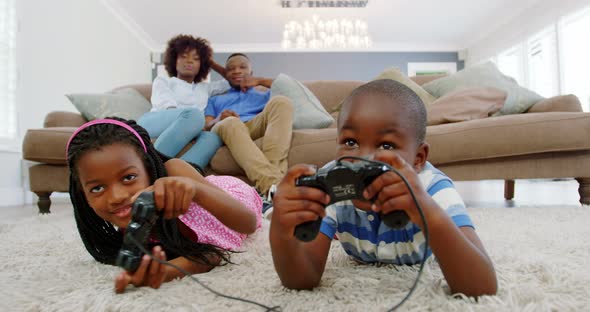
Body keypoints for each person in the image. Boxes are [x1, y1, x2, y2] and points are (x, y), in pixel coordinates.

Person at [269, 79, 497, 297]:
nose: (363, 159)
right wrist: (281, 231)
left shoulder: (432, 188)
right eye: (350, 142)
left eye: (386, 145)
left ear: (418, 159)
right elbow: (302, 281)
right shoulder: (333, 183)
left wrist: (426, 211)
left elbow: (482, 287)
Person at [66, 117, 262, 294]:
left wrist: (196, 189)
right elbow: (206, 255)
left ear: (149, 168)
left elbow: (248, 224)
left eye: (129, 177)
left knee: (257, 205)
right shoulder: (130, 223)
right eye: (97, 188)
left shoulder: (174, 170)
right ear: (82, 194)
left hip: (228, 194)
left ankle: (266, 200)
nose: (116, 197)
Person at [204, 53, 294, 198]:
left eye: (242, 67)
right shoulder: (215, 99)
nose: (237, 71)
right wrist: (219, 118)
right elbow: (206, 125)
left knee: (282, 101)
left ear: (251, 72)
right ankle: (273, 186)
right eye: (231, 69)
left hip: (255, 124)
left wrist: (259, 81)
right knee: (231, 122)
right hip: (227, 126)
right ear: (225, 75)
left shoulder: (264, 95)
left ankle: (273, 188)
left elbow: (292, 89)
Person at [138, 34, 230, 172]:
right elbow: (167, 105)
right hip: (154, 121)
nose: (189, 61)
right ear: (174, 60)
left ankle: (181, 174)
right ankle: (154, 165)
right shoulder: (163, 81)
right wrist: (192, 123)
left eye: (196, 58)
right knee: (195, 116)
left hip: (191, 126)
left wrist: (211, 63)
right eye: (183, 56)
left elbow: (230, 82)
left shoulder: (205, 88)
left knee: (213, 137)